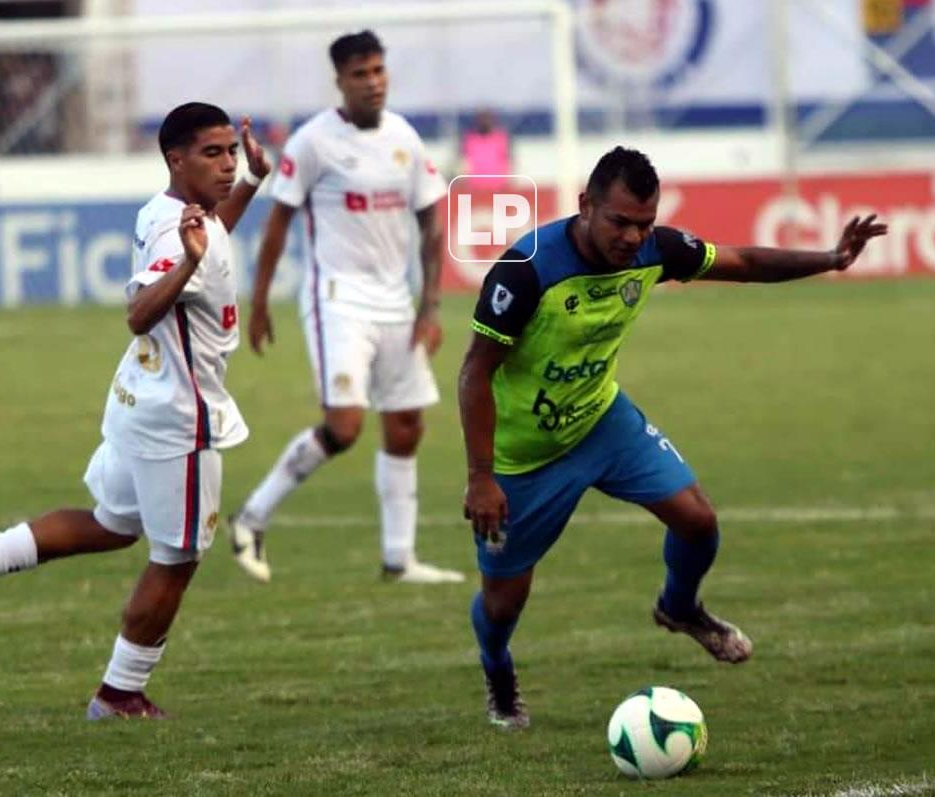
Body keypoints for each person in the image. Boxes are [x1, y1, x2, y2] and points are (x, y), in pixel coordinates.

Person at [458, 146, 887, 730]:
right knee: (504, 602)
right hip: (523, 456)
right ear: (585, 205)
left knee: (698, 521)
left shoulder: (655, 251)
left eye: (645, 224)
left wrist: (832, 259)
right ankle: (497, 670)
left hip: (601, 422)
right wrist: (481, 477)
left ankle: (679, 607)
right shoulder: (526, 270)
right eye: (620, 222)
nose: (633, 238)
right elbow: (474, 373)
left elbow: (743, 262)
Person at [0, 102, 271, 719]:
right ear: (176, 159)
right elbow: (139, 312)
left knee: (112, 524)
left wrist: (252, 183)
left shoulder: (172, 211)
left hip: (140, 399)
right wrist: (188, 262)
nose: (227, 164)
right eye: (213, 154)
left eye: (232, 153)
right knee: (177, 558)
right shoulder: (178, 234)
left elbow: (213, 238)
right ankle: (119, 692)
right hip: (177, 421)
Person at [227, 30, 463, 585]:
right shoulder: (313, 142)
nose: (372, 82)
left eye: (378, 71)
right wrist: (258, 302)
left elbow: (431, 222)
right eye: (360, 74)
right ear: (340, 81)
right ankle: (251, 518)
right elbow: (279, 223)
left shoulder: (404, 138)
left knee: (405, 426)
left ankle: (399, 559)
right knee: (346, 424)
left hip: (395, 301)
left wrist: (429, 307)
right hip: (337, 299)